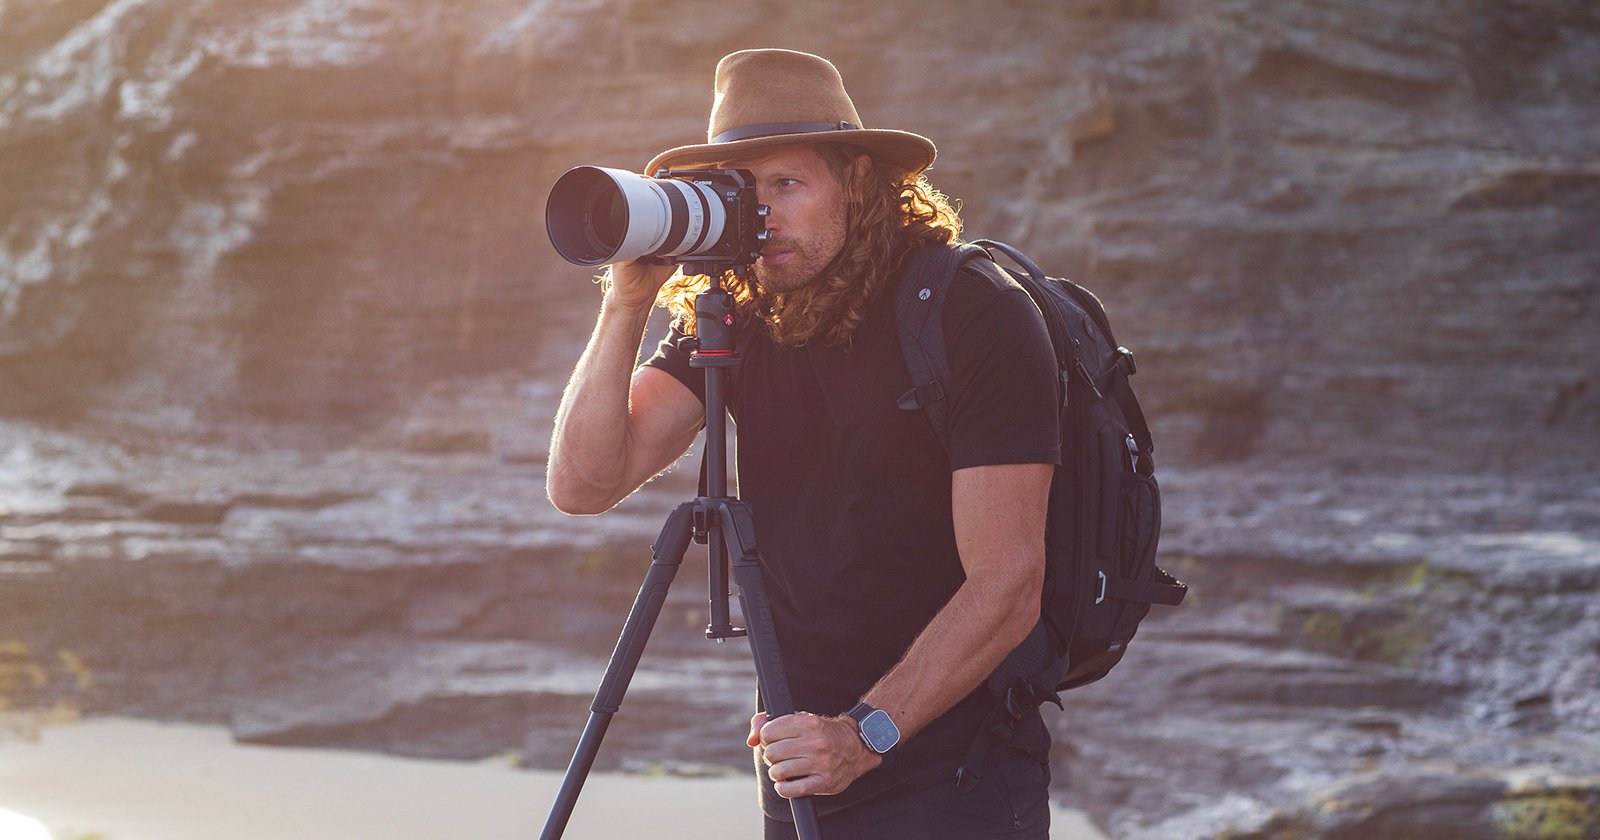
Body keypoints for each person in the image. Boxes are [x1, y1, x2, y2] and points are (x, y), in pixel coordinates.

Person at [546, 48, 1061, 839]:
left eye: (786, 184)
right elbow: (584, 483)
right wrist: (626, 303)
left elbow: (1010, 583)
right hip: (801, 767)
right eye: (741, 193)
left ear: (859, 183)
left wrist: (864, 735)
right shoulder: (741, 316)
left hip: (954, 774)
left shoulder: (969, 311)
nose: (763, 217)